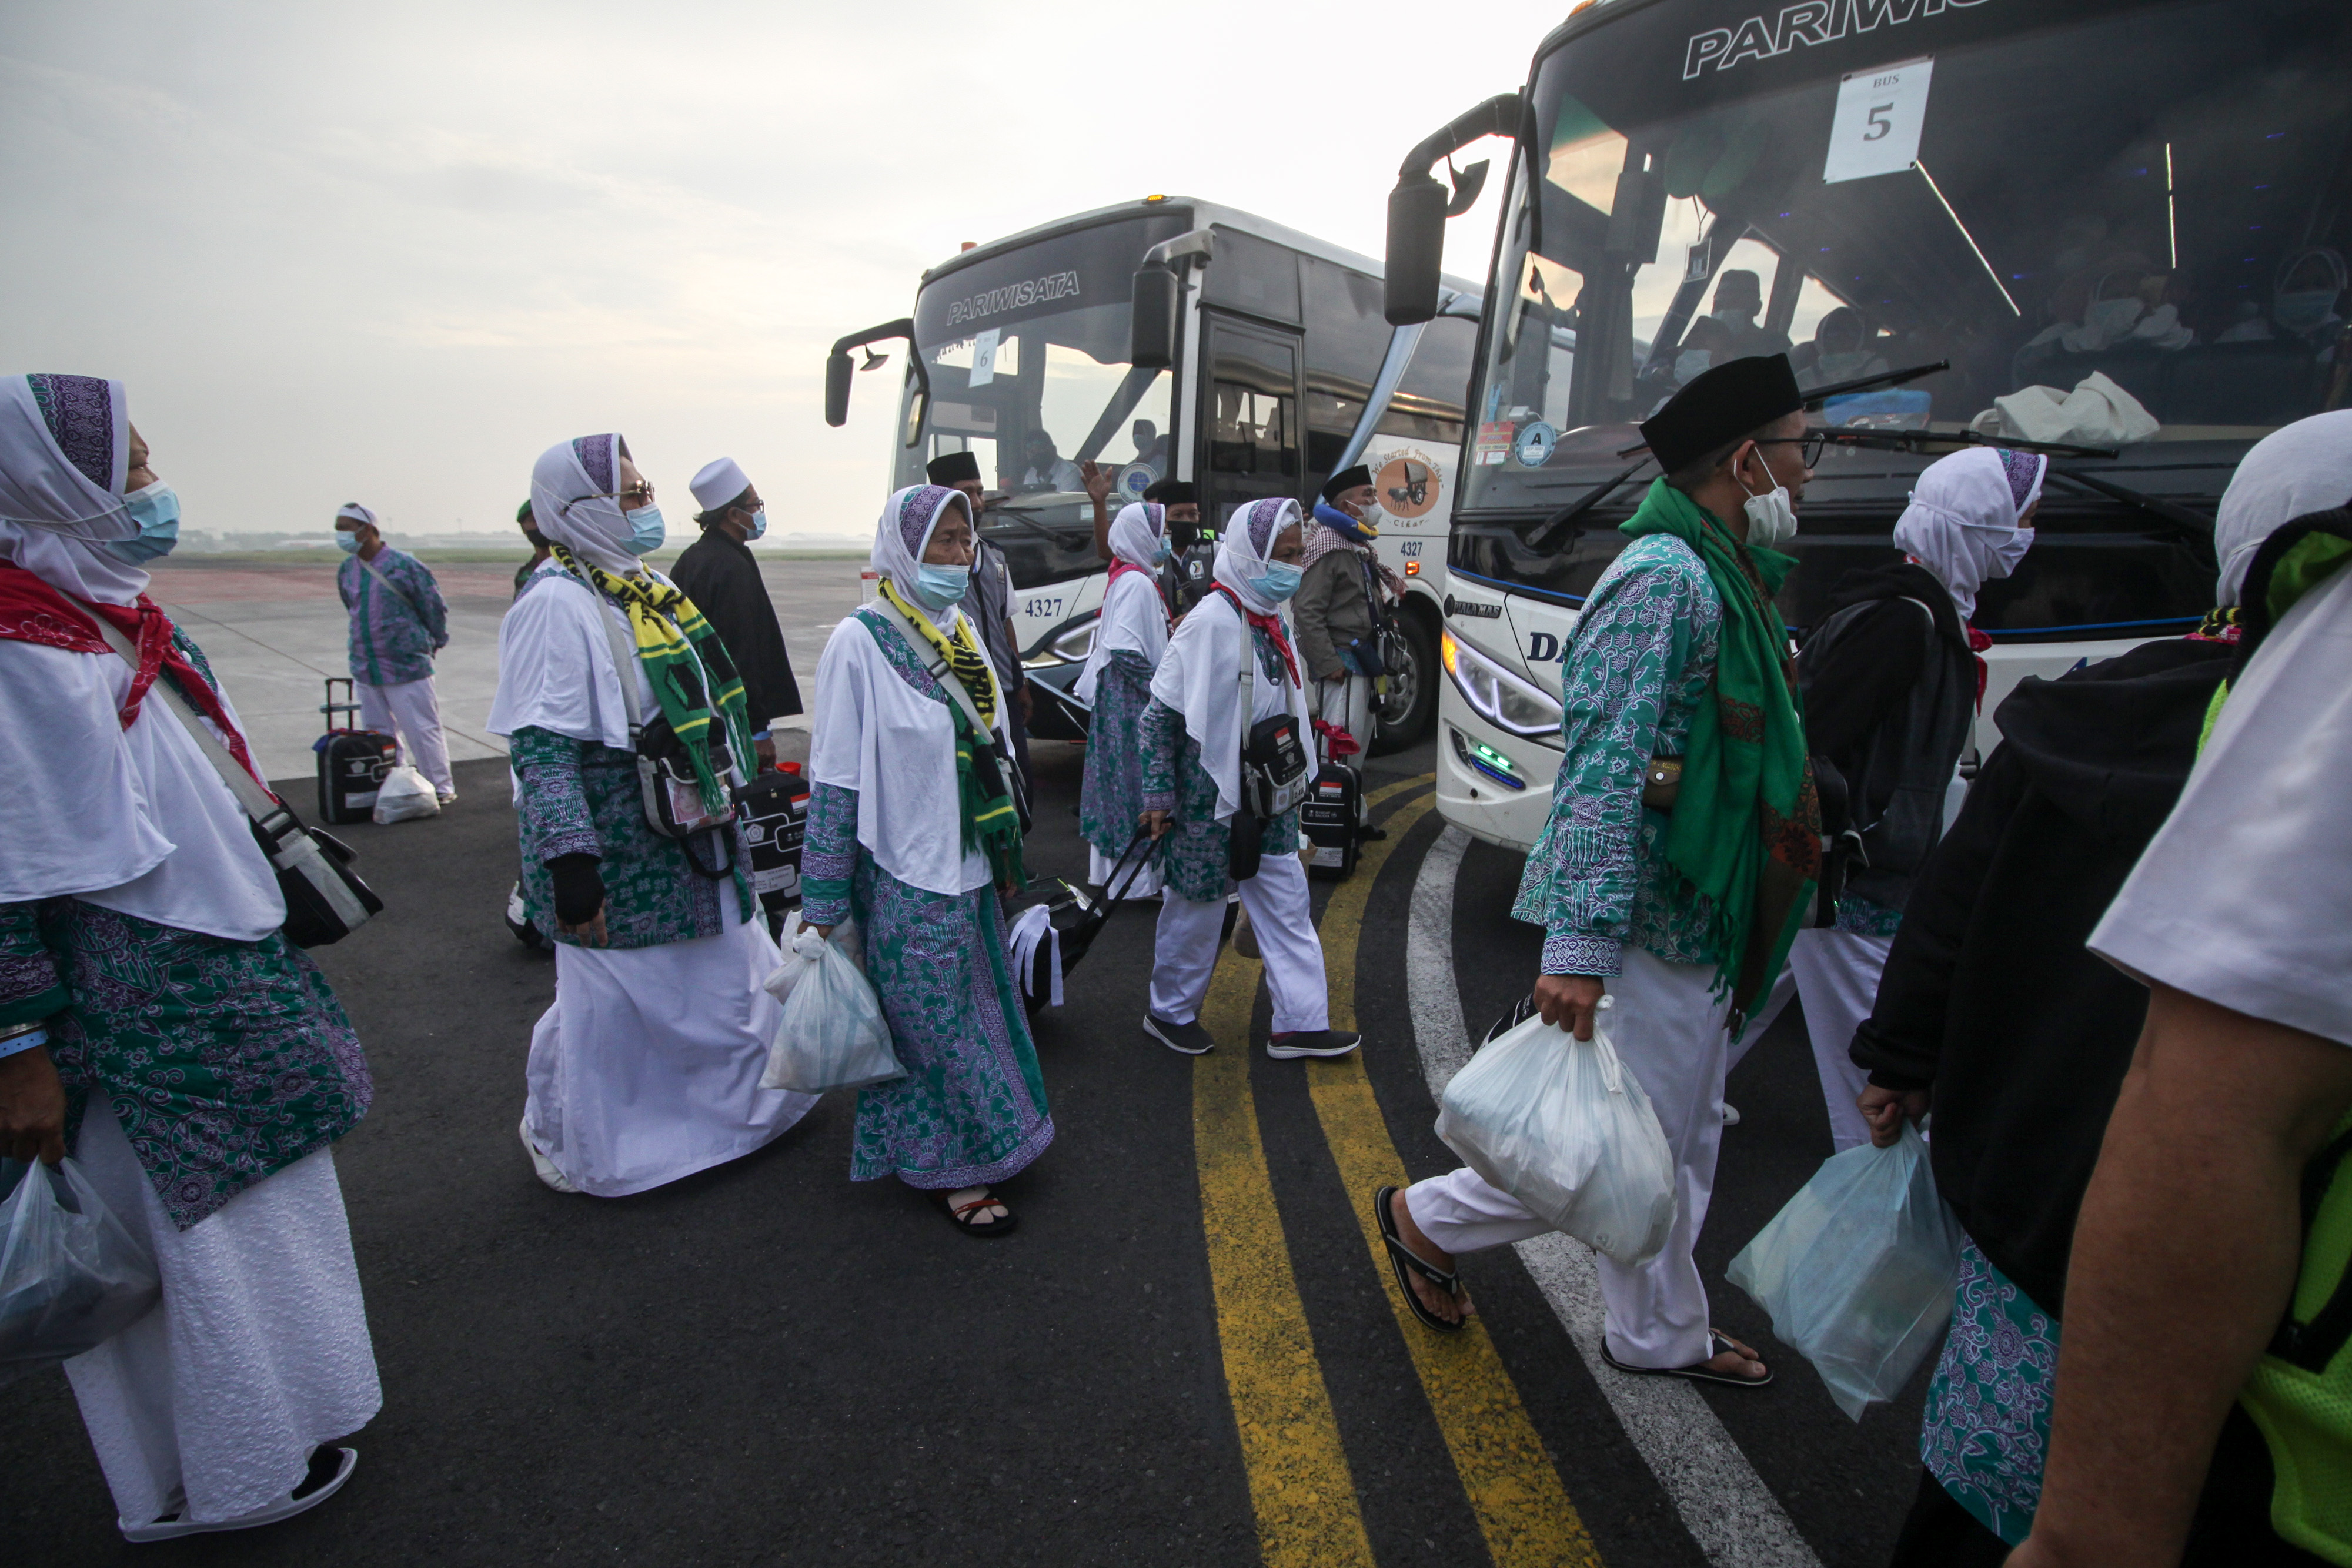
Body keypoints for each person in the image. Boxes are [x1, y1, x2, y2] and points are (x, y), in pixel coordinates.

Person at [1854, 413, 2352, 1564]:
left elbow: (1950, 910)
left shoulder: (2092, 704)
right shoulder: (2287, 741)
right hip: (2251, 1326)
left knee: (1975, 1498)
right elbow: (2218, 1107)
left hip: (2027, 1185)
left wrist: (1901, 1057)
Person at [1378, 356, 1821, 1388]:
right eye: (1802, 448)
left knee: (1680, 1134)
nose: (1812, 473)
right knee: (1621, 1148)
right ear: (1748, 461)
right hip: (1655, 922)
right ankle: (1425, 1214)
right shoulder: (1663, 581)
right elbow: (1602, 770)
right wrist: (1575, 950)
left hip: (1706, 920)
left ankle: (1655, 1329)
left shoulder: (1728, 575)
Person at [0, 374, 379, 1541]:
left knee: (264, 1219)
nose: (155, 494)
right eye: (135, 470)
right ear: (55, 486)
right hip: (131, 1022)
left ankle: (299, 1411)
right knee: (188, 1248)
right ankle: (224, 1473)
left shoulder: (108, 618)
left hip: (219, 992)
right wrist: (16, 1044)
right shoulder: (17, 648)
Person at [489, 432, 816, 1197]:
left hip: (692, 836)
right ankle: (627, 1146)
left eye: (645, 491)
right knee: (622, 1006)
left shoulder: (641, 591)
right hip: (622, 858)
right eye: (632, 496)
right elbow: (543, 749)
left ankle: (743, 1122)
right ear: (578, 511)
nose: (648, 506)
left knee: (729, 985)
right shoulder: (554, 605)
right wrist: (574, 866)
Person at [802, 483, 1050, 1236]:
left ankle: (988, 1139)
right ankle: (949, 1166)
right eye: (942, 541)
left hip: (969, 865)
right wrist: (822, 900)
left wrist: (1007, 849)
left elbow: (995, 754)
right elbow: (836, 776)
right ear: (902, 548)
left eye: (964, 542)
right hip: (905, 873)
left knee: (979, 1015)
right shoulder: (862, 641)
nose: (957, 555)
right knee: (928, 1027)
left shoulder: (963, 632)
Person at [1783, 445, 2043, 1151]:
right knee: (1876, 1095)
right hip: (1857, 878)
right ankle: (1865, 1234)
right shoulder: (1904, 620)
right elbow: (1817, 736)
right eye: (2019, 519)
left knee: (1733, 1012)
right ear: (1976, 524)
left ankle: (1670, 1108)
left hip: (1844, 868)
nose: (2026, 536)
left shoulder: (1924, 608)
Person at [1136, 496, 1361, 1061]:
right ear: (1248, 553)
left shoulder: (1271, 616)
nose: (1293, 565)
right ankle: (1169, 1012)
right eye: (1282, 555)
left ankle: (1300, 1024)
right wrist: (1160, 794)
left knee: (1287, 905)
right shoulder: (1210, 624)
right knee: (1197, 909)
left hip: (1272, 795)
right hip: (1211, 800)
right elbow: (1157, 719)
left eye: (1297, 553)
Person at [672, 456, 802, 772]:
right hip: (730, 720)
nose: (759, 513)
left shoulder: (692, 559)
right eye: (754, 505)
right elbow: (742, 653)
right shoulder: (730, 567)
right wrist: (758, 730)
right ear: (733, 514)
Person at [1075, 500, 1172, 897]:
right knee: (1134, 785)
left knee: (1123, 784)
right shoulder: (1135, 582)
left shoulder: (1131, 576)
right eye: (1159, 533)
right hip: (1132, 702)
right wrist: (1166, 692)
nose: (1164, 540)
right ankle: (1135, 884)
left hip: (1124, 698)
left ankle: (1129, 881)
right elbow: (1126, 651)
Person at [334, 501, 455, 805]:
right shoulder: (347, 570)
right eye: (338, 530)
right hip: (366, 666)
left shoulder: (405, 566)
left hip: (407, 664)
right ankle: (393, 787)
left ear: (370, 530)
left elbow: (433, 607)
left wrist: (433, 641)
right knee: (378, 734)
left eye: (346, 529)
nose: (340, 536)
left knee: (422, 730)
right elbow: (352, 607)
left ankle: (439, 787)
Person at [926, 451, 1033, 793]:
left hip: (1004, 689)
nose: (978, 501)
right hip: (963, 692)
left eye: (980, 491)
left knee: (1020, 786)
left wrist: (1020, 680)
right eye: (967, 493)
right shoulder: (932, 565)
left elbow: (1005, 623)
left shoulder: (995, 557)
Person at [1292, 464, 1401, 767]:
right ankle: (1331, 808)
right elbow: (1306, 610)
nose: (1374, 502)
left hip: (1363, 662)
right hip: (1343, 666)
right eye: (1367, 495)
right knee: (1337, 749)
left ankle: (1351, 807)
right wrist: (1329, 664)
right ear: (1346, 506)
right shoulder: (1329, 547)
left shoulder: (1356, 547)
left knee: (1357, 746)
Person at [1144, 479, 1211, 617]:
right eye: (1178, 515)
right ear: (1164, 520)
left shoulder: (1215, 551)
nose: (1186, 521)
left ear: (1199, 516)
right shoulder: (1151, 553)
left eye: (1192, 514)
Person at [1792, 307, 1889, 391]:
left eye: (1851, 331)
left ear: (1860, 337)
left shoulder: (1875, 366)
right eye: (1834, 331)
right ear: (1821, 337)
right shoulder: (1804, 378)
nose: (1842, 337)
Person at [1707, 269, 1790, 360]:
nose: (1724, 312)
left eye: (1735, 304)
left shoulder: (1775, 345)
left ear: (1756, 308)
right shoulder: (1702, 346)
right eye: (1719, 306)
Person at [1011, 427, 1080, 494]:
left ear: (1053, 450)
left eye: (1039, 445)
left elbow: (1066, 504)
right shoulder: (1031, 475)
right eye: (1028, 448)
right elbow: (1026, 503)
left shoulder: (1070, 472)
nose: (1032, 451)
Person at [514, 498, 551, 598]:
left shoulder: (571, 568)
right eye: (533, 520)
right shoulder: (524, 573)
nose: (539, 525)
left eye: (543, 519)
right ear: (523, 528)